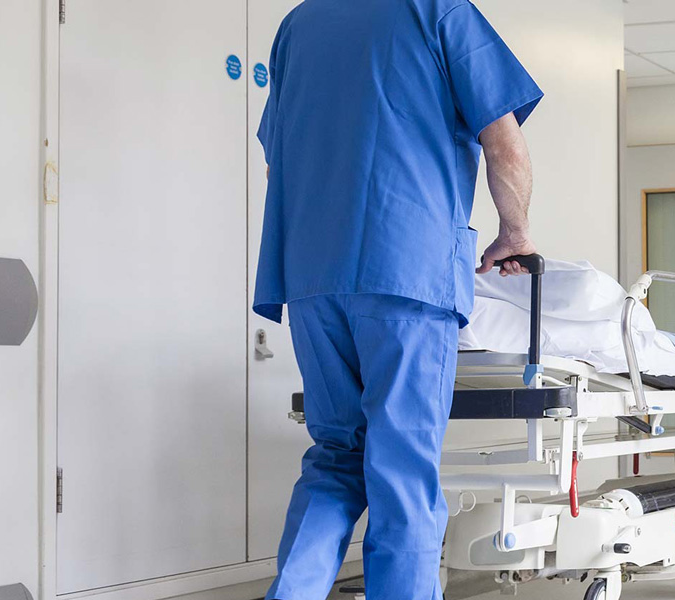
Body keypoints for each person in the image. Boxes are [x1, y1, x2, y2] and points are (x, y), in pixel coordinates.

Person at [252, 1, 543, 598]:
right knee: (402, 467)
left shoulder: (297, 25)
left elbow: (274, 157)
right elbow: (504, 144)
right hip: (406, 271)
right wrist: (515, 234)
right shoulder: (438, 11)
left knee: (337, 454)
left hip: (311, 275)